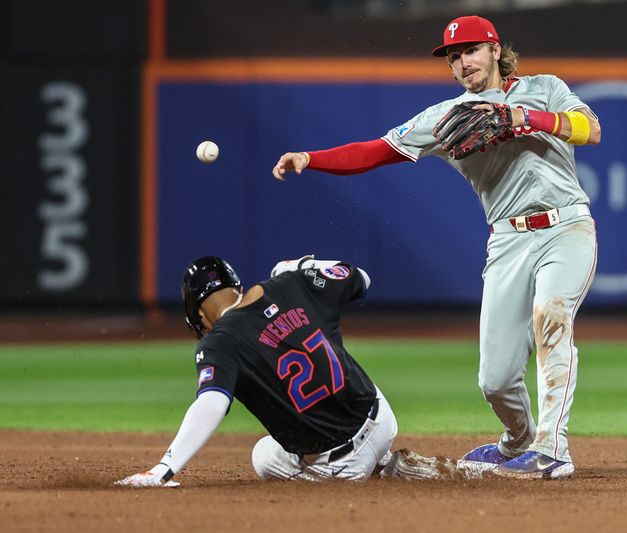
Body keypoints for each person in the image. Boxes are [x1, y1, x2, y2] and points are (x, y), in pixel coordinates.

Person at [272, 15, 601, 479]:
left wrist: (524, 117)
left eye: (470, 50)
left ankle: (552, 449)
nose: (462, 62)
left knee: (551, 315)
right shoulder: (446, 119)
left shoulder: (544, 87)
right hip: (507, 239)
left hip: (565, 226)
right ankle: (518, 440)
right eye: (453, 56)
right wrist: (312, 158)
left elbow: (590, 129)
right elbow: (377, 150)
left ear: (494, 50)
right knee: (495, 379)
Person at [115, 255, 398, 486]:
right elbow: (360, 277)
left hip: (344, 465)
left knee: (264, 455)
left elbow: (212, 403)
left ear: (200, 315)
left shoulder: (220, 342)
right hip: (381, 418)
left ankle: (372, 467)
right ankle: (383, 459)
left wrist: (164, 468)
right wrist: (303, 267)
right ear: (237, 288)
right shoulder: (291, 282)